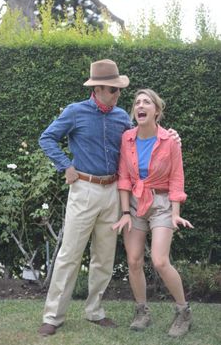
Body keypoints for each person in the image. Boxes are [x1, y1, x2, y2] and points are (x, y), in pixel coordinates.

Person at [38, 60, 180, 337]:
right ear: (98, 89)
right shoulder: (75, 112)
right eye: (113, 90)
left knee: (103, 257)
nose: (118, 95)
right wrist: (64, 165)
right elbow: (47, 138)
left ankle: (95, 311)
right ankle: (53, 316)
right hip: (84, 189)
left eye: (118, 90)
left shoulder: (120, 118)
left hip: (115, 193)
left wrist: (172, 135)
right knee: (70, 255)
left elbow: (142, 139)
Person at [112, 88, 193, 338]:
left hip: (161, 204)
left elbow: (177, 177)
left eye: (146, 102)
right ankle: (142, 311)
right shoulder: (127, 138)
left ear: (156, 110)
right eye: (137, 102)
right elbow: (124, 177)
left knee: (159, 260)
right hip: (135, 203)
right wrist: (126, 211)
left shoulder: (169, 140)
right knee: (134, 260)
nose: (140, 106)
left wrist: (175, 211)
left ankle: (183, 312)